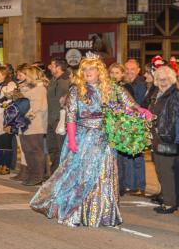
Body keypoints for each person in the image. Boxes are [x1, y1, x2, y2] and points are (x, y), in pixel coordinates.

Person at [30, 54, 143, 227]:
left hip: (105, 139)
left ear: (99, 71)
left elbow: (131, 104)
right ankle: (77, 212)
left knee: (103, 175)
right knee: (80, 175)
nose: (89, 72)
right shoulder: (77, 90)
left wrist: (143, 112)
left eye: (92, 69)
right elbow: (71, 116)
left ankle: (101, 213)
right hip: (83, 137)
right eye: (85, 69)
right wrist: (73, 139)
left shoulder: (112, 88)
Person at [147, 66, 179, 214]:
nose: (162, 82)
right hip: (158, 138)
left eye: (165, 80)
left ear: (171, 80)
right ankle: (168, 199)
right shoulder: (158, 94)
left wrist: (164, 135)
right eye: (159, 80)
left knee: (166, 172)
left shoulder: (173, 96)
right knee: (161, 171)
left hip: (166, 140)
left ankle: (169, 203)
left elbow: (173, 119)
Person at [13, 65, 48, 186]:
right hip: (24, 124)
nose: (24, 77)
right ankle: (31, 174)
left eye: (26, 75)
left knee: (35, 150)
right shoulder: (26, 88)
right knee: (27, 150)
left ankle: (38, 176)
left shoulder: (40, 89)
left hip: (35, 124)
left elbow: (40, 107)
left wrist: (24, 113)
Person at [119, 59, 148, 197]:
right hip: (127, 124)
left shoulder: (141, 85)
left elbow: (139, 105)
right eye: (127, 69)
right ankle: (131, 185)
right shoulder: (125, 84)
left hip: (137, 124)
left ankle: (140, 186)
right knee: (128, 156)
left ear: (138, 70)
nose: (129, 72)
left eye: (132, 69)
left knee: (137, 157)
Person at [46, 58, 71, 175]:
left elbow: (65, 102)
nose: (49, 67)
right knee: (52, 147)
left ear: (58, 67)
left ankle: (60, 174)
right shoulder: (53, 80)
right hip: (51, 118)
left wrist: (62, 119)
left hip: (59, 119)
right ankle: (54, 173)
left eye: (52, 65)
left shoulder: (65, 81)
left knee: (61, 148)